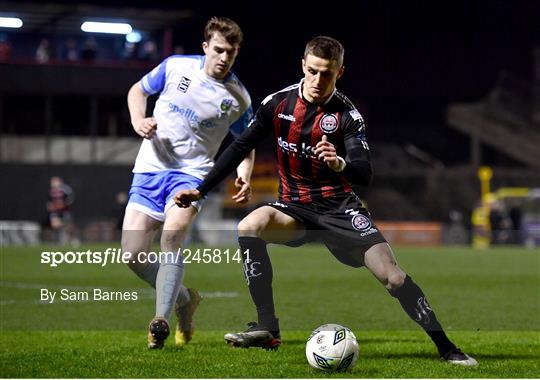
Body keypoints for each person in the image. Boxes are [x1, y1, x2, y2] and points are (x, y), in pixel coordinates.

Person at [175, 36, 477, 366]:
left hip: (340, 210)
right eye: (314, 71)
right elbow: (238, 146)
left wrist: (340, 164)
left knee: (394, 278)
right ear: (303, 66)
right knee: (251, 225)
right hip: (295, 208)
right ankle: (267, 327)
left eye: (328, 74)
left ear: (339, 72)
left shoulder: (347, 116)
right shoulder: (278, 104)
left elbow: (365, 173)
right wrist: (200, 190)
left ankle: (447, 348)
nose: (319, 80)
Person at [123, 16, 254, 349]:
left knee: (172, 236)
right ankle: (184, 300)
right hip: (150, 168)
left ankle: (160, 322)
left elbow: (245, 143)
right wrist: (139, 119)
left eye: (232, 53)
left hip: (194, 174)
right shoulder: (175, 66)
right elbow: (138, 90)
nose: (225, 58)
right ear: (206, 47)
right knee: (133, 255)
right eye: (220, 50)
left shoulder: (238, 97)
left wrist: (244, 172)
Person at [46, 176, 76, 245]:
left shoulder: (65, 190)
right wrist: (50, 206)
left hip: (64, 211)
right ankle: (58, 240)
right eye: (52, 182)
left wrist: (64, 204)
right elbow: (49, 201)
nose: (53, 183)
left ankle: (72, 239)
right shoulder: (51, 191)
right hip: (55, 212)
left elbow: (71, 199)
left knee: (68, 226)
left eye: (55, 181)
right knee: (55, 225)